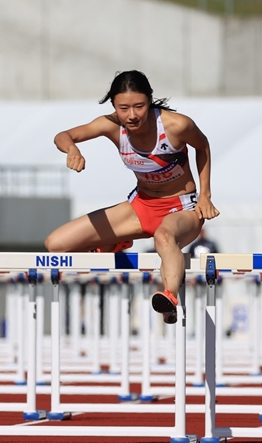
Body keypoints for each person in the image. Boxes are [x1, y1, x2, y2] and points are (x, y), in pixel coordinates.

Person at [45, 70, 219, 324]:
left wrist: (205, 195)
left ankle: (169, 297)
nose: (132, 115)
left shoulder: (176, 125)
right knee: (55, 244)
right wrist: (72, 149)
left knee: (164, 236)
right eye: (123, 108)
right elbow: (63, 136)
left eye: (139, 106)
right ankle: (118, 241)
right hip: (141, 207)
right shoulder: (111, 125)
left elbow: (202, 147)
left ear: (149, 101)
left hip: (182, 208)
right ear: (114, 105)